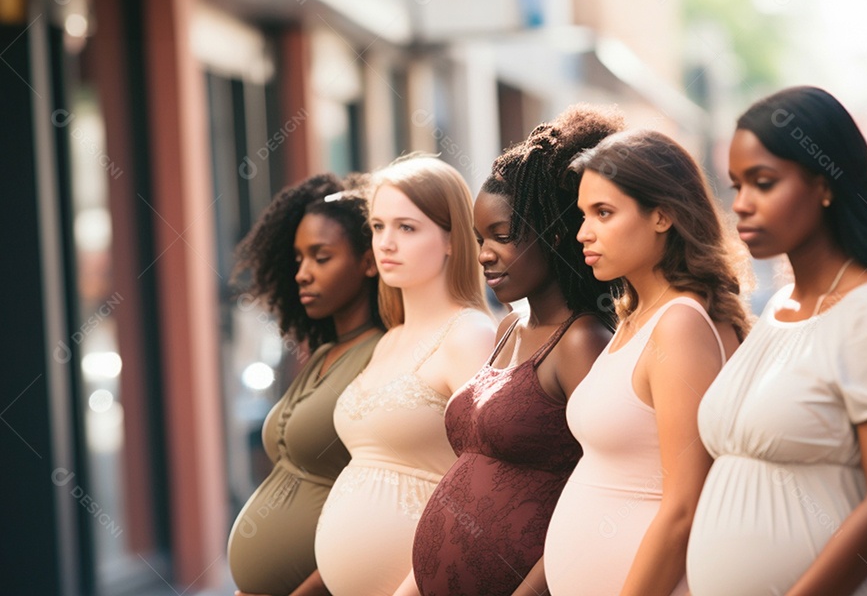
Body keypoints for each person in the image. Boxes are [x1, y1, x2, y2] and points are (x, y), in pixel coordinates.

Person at [686, 86, 867, 595]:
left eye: (763, 183)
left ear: (823, 185)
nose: (741, 206)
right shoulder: (777, 309)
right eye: (736, 185)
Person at [401, 106, 622, 596]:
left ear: (555, 235)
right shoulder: (507, 327)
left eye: (503, 237)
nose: (484, 254)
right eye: (480, 239)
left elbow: (598, 492)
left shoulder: (582, 341)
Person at [543, 129, 748, 595]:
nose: (583, 233)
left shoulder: (680, 325)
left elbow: (683, 508)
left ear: (662, 215)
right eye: (583, 214)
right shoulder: (637, 317)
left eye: (604, 213)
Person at [314, 154, 495, 596]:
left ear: (453, 239)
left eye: (406, 228)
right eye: (378, 227)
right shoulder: (388, 340)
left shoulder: (470, 335)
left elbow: (486, 488)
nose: (386, 243)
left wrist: (416, 587)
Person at [228, 173, 385, 596]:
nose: (302, 274)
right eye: (298, 259)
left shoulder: (383, 354)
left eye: (321, 257)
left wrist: (313, 588)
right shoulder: (322, 354)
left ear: (368, 261)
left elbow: (378, 503)